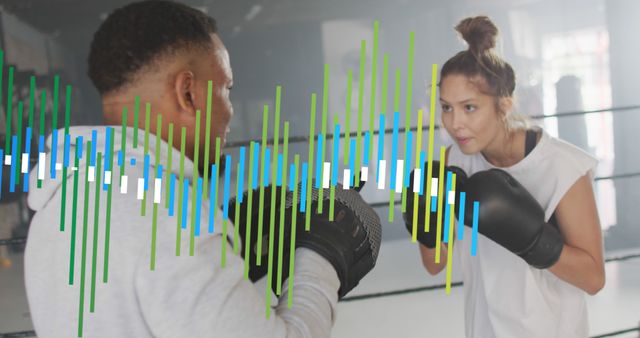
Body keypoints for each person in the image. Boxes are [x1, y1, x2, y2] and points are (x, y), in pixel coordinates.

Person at [24, 1, 380, 337]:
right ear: (188, 93)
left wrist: (226, 249)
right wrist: (322, 252)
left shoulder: (60, 201)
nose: (230, 111)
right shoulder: (170, 222)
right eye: (226, 89)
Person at [404, 16, 605, 337]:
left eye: (469, 107)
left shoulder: (562, 167)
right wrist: (424, 224)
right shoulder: (455, 160)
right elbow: (435, 265)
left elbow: (593, 280)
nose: (454, 124)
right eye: (446, 107)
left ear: (504, 105)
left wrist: (532, 240)